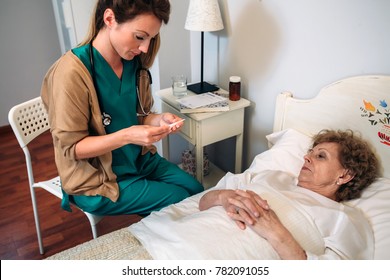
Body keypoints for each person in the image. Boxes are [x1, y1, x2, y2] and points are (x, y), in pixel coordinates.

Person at [40, 0, 203, 216]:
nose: (145, 47)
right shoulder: (70, 73)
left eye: (151, 38)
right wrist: (128, 136)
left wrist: (158, 120)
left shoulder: (133, 63)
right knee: (179, 200)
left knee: (197, 191)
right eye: (140, 37)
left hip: (139, 161)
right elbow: (71, 149)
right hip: (97, 179)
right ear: (109, 19)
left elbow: (139, 116)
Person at [199, 129, 380, 259]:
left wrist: (275, 233)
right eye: (310, 152)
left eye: (321, 156)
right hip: (193, 234)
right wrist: (223, 196)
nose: (306, 157)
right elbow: (203, 203)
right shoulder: (273, 176)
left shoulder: (345, 219)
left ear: (345, 175)